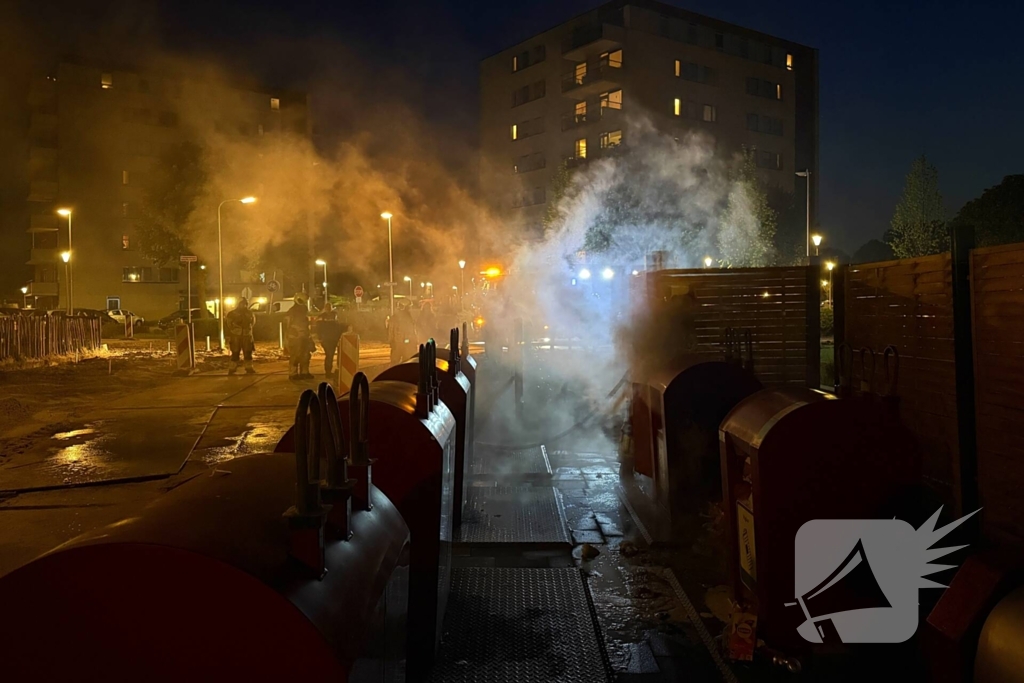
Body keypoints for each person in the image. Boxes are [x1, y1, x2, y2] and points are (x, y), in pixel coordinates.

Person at [285, 292, 314, 380]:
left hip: (304, 336)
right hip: (295, 337)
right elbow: (287, 324)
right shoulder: (292, 311)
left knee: (305, 355)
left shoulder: (304, 310)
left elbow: (306, 323)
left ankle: (304, 372)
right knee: (295, 355)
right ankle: (293, 374)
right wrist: (290, 335)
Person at [225, 297, 256, 375]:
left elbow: (253, 322)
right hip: (236, 336)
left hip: (247, 335)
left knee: (248, 352)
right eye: (242, 303)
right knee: (235, 352)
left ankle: (249, 368)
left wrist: (248, 330)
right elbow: (228, 324)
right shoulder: (232, 314)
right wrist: (235, 330)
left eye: (245, 304)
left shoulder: (250, 313)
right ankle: (232, 368)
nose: (244, 305)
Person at [316, 302, 343, 377]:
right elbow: (319, 329)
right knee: (329, 355)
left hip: (330, 339)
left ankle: (328, 371)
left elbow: (318, 329)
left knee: (330, 355)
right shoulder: (326, 317)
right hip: (328, 339)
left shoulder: (323, 316)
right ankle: (328, 371)